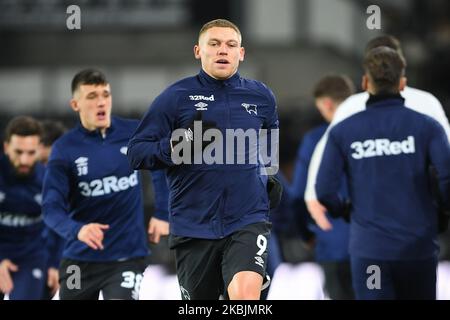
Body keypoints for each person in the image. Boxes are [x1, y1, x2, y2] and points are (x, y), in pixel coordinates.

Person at [127, 19, 279, 300]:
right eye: (215, 44)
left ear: (241, 53)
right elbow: (137, 153)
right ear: (198, 51)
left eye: (231, 45)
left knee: (245, 298)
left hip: (247, 219)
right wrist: (179, 146)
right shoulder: (175, 97)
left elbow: (270, 155)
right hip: (193, 225)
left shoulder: (262, 97)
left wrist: (268, 181)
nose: (223, 50)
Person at [316, 46, 450, 299]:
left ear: (365, 82)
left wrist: (344, 210)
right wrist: (442, 211)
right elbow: (447, 178)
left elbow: (323, 190)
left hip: (371, 252)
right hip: (418, 250)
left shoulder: (343, 131)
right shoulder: (428, 127)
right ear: (402, 83)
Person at [42, 69, 169, 300]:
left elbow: (158, 166)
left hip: (127, 257)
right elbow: (51, 209)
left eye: (105, 94)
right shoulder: (64, 148)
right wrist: (77, 230)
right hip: (78, 260)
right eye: (92, 96)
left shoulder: (133, 132)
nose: (101, 102)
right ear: (75, 104)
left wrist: (163, 212)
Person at [304, 35, 450, 231]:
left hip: (370, 216)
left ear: (365, 78)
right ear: (402, 67)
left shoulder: (351, 107)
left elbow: (324, 157)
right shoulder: (426, 102)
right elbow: (446, 158)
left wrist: (315, 196)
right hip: (418, 214)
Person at [291, 75, 355, 299]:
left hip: (333, 244)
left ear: (327, 104)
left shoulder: (315, 140)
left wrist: (306, 234)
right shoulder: (374, 133)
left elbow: (298, 196)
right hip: (374, 245)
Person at [0, 116, 58, 299]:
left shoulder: (50, 181)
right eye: (18, 152)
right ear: (6, 147)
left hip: (30, 258)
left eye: (31, 153)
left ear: (40, 149)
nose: (24, 160)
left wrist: (55, 264)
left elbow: (60, 226)